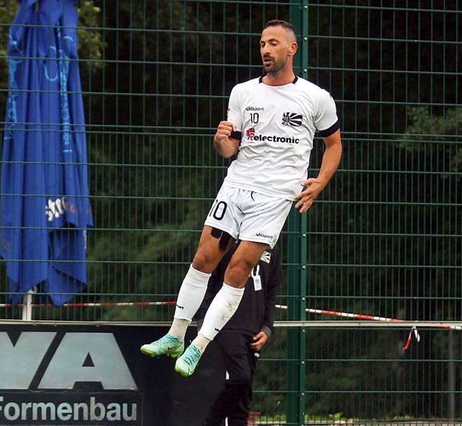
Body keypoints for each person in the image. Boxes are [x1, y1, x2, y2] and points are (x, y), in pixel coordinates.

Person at [140, 19, 342, 377]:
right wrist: (221, 140)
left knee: (238, 269)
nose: (265, 50)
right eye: (262, 43)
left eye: (274, 43)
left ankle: (198, 346)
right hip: (236, 184)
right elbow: (228, 148)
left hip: (276, 195)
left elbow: (333, 145)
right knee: (203, 257)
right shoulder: (243, 92)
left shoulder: (315, 98)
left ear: (292, 49)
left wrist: (321, 181)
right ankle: (175, 335)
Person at [197, 241, 281, 426]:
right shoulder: (227, 237)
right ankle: (211, 422)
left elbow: (272, 288)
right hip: (226, 324)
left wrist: (267, 327)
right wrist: (203, 319)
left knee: (243, 399)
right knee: (241, 377)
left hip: (254, 329)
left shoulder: (271, 243)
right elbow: (207, 279)